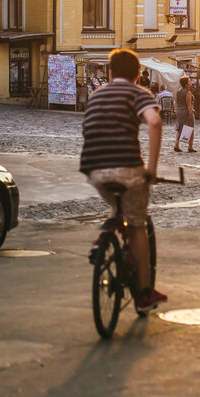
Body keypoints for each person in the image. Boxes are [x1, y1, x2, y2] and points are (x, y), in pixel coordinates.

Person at [80, 49, 167, 311]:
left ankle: (104, 236)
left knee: (116, 203)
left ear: (109, 72)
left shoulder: (96, 95)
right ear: (138, 74)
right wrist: (151, 168)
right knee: (138, 225)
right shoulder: (138, 93)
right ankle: (143, 294)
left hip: (94, 170)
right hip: (127, 169)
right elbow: (154, 122)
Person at [173, 77, 196, 153]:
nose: (190, 82)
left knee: (179, 128)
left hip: (180, 110)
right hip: (186, 110)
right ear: (186, 83)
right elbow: (188, 104)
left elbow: (176, 101)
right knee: (190, 127)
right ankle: (190, 146)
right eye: (189, 81)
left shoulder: (178, 91)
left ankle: (176, 144)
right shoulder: (188, 91)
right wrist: (190, 114)